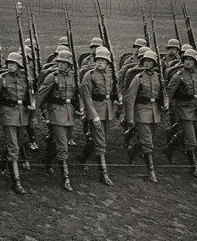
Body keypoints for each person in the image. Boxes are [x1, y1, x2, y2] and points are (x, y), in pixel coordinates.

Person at [0, 52, 35, 195]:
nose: (10, 66)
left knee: (20, 142)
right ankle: (16, 182)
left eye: (13, 64)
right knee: (14, 147)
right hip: (8, 115)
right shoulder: (1, 79)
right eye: (9, 64)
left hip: (23, 115)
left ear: (19, 66)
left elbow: (32, 97)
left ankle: (3, 163)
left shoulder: (26, 78)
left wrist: (32, 112)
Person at [35, 50, 78, 192]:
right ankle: (66, 178)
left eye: (63, 63)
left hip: (70, 113)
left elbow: (79, 94)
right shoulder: (52, 77)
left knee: (57, 141)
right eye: (58, 62)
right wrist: (35, 113)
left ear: (69, 65)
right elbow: (41, 95)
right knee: (63, 146)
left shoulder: (74, 77)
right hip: (56, 114)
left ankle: (47, 160)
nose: (60, 65)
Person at [163, 49, 197, 179]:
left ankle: (169, 148)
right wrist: (166, 107)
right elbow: (169, 93)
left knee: (188, 132)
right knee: (191, 140)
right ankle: (194, 167)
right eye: (186, 60)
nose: (188, 62)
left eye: (191, 60)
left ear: (195, 62)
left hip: (196, 108)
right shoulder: (178, 75)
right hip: (183, 109)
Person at [124, 51, 164, 183]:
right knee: (148, 143)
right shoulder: (138, 78)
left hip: (155, 112)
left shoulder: (159, 77)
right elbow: (129, 99)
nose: (147, 63)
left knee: (147, 141)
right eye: (145, 61)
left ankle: (132, 151)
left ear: (154, 63)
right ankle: (151, 171)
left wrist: (165, 105)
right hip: (141, 112)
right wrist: (129, 118)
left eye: (149, 61)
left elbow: (163, 94)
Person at [77, 47, 115, 186]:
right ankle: (103, 175)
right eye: (98, 60)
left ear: (108, 62)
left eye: (103, 61)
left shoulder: (112, 74)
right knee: (101, 143)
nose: (100, 63)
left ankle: (82, 157)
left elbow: (115, 91)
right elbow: (86, 97)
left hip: (108, 111)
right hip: (96, 112)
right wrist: (93, 116)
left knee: (100, 139)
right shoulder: (89, 75)